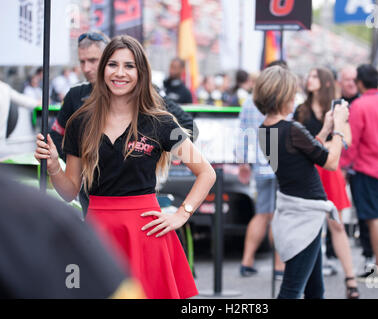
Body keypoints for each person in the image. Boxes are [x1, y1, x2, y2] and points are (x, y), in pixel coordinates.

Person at [35, 35, 216, 299]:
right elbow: (70, 191)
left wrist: (181, 214)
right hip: (98, 233)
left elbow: (206, 172)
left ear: (141, 72)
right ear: (103, 69)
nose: (120, 73)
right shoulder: (80, 121)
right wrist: (53, 165)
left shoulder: (161, 122)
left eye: (129, 66)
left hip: (147, 233)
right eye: (113, 65)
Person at [50, 31, 195, 216]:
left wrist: (153, 153)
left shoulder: (150, 95)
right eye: (82, 61)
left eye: (93, 60)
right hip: (92, 203)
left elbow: (186, 124)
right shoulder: (76, 97)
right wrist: (79, 162)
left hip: (139, 208)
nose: (87, 68)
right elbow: (56, 137)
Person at [255, 65, 349, 299]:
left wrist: (326, 127)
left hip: (297, 212)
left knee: (315, 290)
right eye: (293, 93)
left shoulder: (265, 129)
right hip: (304, 216)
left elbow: (301, 154)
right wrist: (339, 129)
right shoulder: (291, 128)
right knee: (291, 291)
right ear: (283, 95)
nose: (296, 98)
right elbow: (330, 162)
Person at [0, 169, 145, 298]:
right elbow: (70, 192)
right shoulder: (47, 217)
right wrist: (55, 167)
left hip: (141, 226)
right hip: (97, 221)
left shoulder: (46, 217)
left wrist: (169, 218)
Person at [294, 67, 359, 299]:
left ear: (324, 81)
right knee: (307, 228)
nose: (309, 79)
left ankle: (350, 279)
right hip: (309, 171)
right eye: (308, 75)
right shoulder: (301, 110)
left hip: (330, 172)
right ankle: (302, 280)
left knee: (337, 226)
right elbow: (298, 144)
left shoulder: (336, 109)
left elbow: (348, 139)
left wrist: (329, 142)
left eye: (313, 76)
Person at [340, 64, 378, 284]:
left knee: (373, 219)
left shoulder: (359, 106)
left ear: (360, 82)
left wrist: (343, 164)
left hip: (367, 169)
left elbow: (353, 141)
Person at [236, 60, 286, 279]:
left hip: (260, 164)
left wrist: (243, 162)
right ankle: (279, 267)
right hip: (283, 165)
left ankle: (247, 261)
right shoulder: (284, 102)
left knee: (262, 214)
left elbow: (242, 135)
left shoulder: (250, 102)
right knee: (279, 215)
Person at [338, 65, 374, 270]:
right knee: (336, 210)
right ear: (340, 82)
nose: (350, 83)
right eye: (346, 80)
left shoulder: (363, 104)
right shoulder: (333, 103)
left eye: (354, 79)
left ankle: (369, 257)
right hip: (338, 163)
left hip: (361, 166)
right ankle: (332, 253)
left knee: (365, 213)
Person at [0, 80, 40, 146]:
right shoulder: (4, 87)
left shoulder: (4, 88)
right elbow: (21, 99)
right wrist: (37, 103)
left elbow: (22, 99)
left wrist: (37, 103)